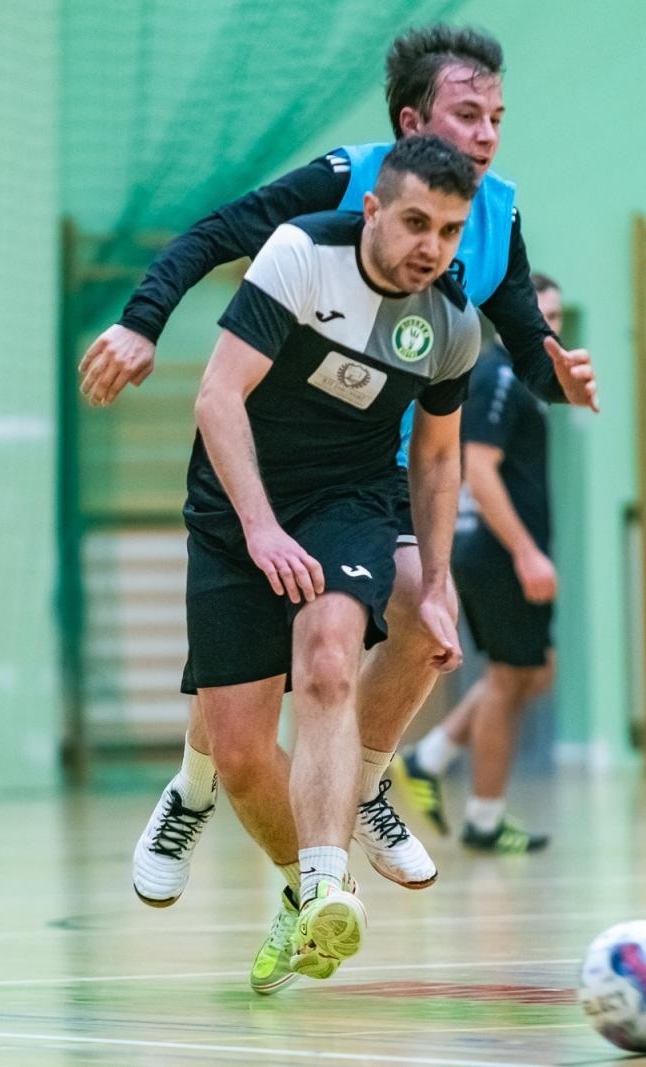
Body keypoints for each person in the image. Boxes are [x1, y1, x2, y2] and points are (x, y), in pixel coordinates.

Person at [92, 23, 597, 911]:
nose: (486, 134)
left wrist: (556, 374)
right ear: (413, 123)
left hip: (386, 460)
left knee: (417, 618)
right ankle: (199, 785)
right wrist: (143, 318)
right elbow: (217, 232)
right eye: (467, 114)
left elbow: (520, 335)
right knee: (246, 676)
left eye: (498, 118)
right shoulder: (341, 188)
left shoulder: (497, 212)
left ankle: (360, 783)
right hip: (275, 448)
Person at [185, 136, 478, 992]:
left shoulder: (451, 321)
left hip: (347, 500)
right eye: (417, 221)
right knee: (240, 753)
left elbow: (435, 460)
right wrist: (260, 528)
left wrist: (440, 579)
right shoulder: (303, 254)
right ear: (375, 210)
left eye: (451, 231)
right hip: (236, 502)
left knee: (326, 659)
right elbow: (215, 396)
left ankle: (324, 883)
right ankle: (297, 884)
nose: (432, 245)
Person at [392, 273, 562, 854]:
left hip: (499, 552)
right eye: (544, 316)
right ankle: (484, 819)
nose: (553, 329)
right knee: (513, 678)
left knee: (531, 673)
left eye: (560, 319)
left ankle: (430, 756)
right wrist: (527, 553)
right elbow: (480, 470)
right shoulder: (497, 377)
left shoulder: (520, 381)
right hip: (495, 553)